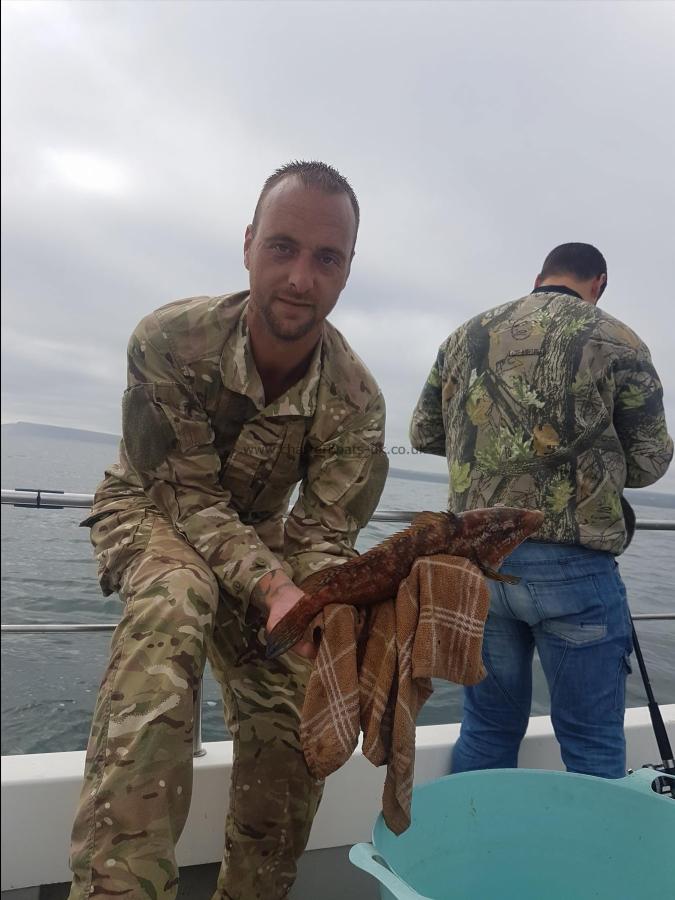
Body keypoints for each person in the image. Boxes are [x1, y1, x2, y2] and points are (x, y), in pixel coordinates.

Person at [68, 160, 388, 900]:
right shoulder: (168, 341)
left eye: (325, 258)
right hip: (151, 508)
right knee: (175, 603)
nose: (300, 277)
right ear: (247, 245)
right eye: (282, 247)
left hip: (262, 544)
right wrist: (276, 584)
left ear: (345, 272)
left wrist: (327, 603)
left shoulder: (356, 400)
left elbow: (322, 535)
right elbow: (187, 498)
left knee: (296, 710)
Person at [410, 243, 672, 779]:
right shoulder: (619, 339)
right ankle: (588, 863)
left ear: (539, 277)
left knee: (485, 731)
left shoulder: (466, 335)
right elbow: (650, 460)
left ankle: (474, 856)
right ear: (599, 282)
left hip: (478, 566)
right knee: (592, 742)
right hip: (574, 571)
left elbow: (423, 433)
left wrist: (488, 459)